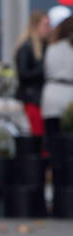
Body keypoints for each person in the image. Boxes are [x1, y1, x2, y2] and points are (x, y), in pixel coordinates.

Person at [15, 10, 52, 136]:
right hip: (31, 100)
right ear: (36, 26)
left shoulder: (45, 47)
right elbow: (23, 74)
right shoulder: (26, 47)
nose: (49, 30)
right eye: (46, 25)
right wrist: (44, 68)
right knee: (37, 136)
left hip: (41, 100)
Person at [41, 8, 73, 139]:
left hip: (51, 95)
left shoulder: (52, 47)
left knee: (53, 138)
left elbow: (46, 70)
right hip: (69, 95)